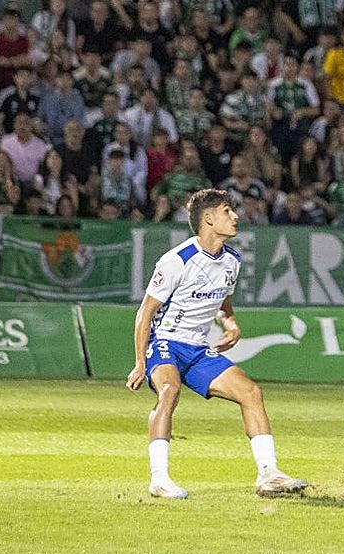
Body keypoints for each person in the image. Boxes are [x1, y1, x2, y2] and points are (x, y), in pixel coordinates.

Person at [125, 189, 308, 500]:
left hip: (198, 348)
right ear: (208, 218)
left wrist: (231, 323)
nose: (235, 216)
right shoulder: (176, 260)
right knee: (169, 391)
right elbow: (146, 312)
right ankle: (159, 479)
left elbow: (224, 302)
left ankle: (269, 474)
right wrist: (141, 362)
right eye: (227, 211)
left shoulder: (232, 261)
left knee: (251, 392)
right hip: (166, 341)